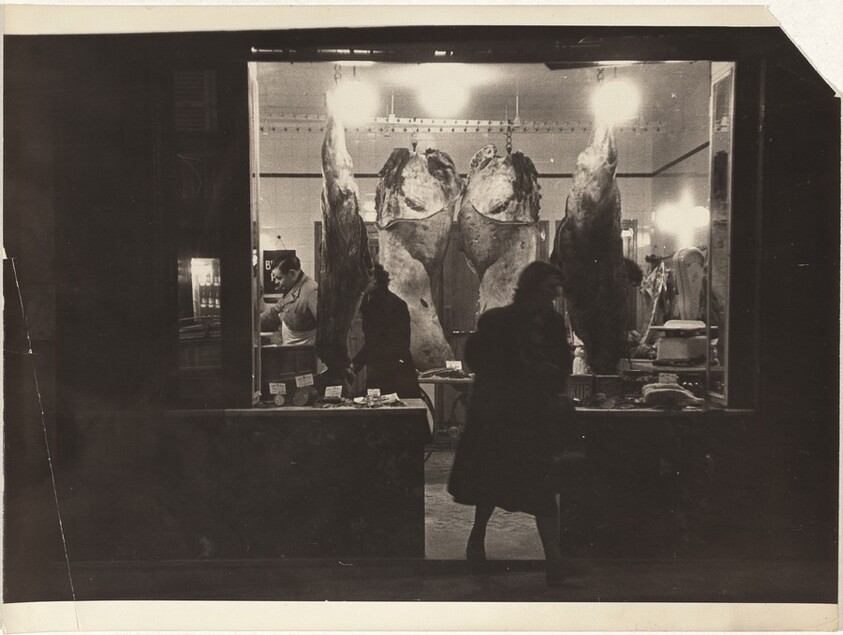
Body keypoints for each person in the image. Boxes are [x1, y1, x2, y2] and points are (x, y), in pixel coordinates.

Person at [447, 260, 574, 586]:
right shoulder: (497, 321)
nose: (554, 295)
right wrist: (523, 369)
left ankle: (554, 562)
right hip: (502, 420)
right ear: (533, 287)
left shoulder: (554, 323)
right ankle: (477, 539)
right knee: (491, 485)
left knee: (543, 489)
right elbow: (477, 358)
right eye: (549, 288)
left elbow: (561, 365)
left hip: (533, 420)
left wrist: (555, 385)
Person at [352, 264, 421, 398]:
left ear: (374, 279)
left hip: (386, 372)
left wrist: (354, 365)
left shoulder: (375, 306)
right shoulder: (397, 302)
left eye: (363, 280)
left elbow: (374, 342)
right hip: (400, 369)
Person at [260, 255, 319, 346]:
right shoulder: (292, 288)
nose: (276, 282)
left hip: (305, 355)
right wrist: (252, 322)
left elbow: (326, 328)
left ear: (292, 274)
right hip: (290, 351)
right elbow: (273, 313)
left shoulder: (311, 291)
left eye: (279, 278)